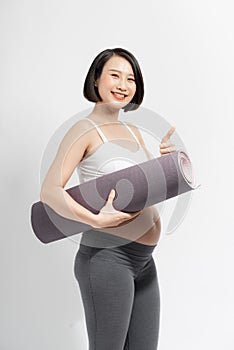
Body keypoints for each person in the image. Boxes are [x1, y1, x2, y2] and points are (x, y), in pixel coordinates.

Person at [40, 48, 176, 350]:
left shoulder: (133, 131)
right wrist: (94, 219)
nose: (123, 85)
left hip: (144, 261)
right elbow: (49, 190)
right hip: (107, 258)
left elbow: (138, 190)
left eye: (131, 78)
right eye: (115, 75)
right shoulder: (83, 130)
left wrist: (167, 165)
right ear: (97, 80)